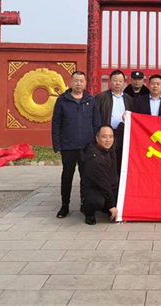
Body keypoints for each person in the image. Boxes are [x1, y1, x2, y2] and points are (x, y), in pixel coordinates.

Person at [51, 71, 101, 219]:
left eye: (81, 81)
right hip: (68, 146)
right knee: (67, 176)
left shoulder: (91, 100)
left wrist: (96, 144)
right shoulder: (62, 100)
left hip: (87, 146)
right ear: (71, 82)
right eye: (76, 81)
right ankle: (64, 206)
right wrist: (57, 145)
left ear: (85, 83)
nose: (79, 84)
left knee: (86, 177)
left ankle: (85, 205)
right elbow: (56, 124)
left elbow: (96, 123)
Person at [95, 70, 134, 176]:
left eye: (120, 81)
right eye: (115, 80)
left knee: (120, 158)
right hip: (108, 133)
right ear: (110, 81)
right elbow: (96, 117)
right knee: (107, 159)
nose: (118, 83)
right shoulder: (101, 97)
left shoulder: (128, 99)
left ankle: (118, 182)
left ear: (124, 82)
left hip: (122, 133)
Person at [81, 126, 119, 225]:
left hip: (110, 187)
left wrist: (126, 121)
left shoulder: (110, 148)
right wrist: (111, 206)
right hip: (94, 189)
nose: (108, 140)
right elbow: (103, 184)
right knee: (97, 202)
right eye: (104, 137)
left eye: (111, 136)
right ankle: (88, 212)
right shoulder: (95, 158)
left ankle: (106, 207)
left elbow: (121, 132)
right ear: (97, 138)